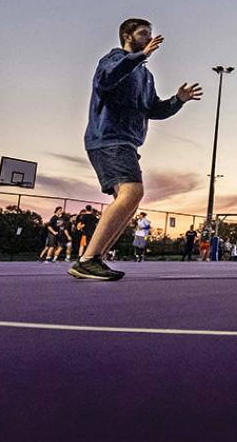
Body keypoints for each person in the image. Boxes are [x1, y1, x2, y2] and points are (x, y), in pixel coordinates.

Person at [69, 19, 202, 281]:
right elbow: (106, 80)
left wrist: (178, 100)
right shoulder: (113, 60)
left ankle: (95, 259)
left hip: (127, 141)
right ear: (127, 36)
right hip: (108, 138)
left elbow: (152, 110)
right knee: (133, 191)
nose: (149, 39)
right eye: (143, 34)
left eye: (150, 35)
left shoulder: (146, 76)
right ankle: (88, 259)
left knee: (130, 200)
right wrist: (141, 55)